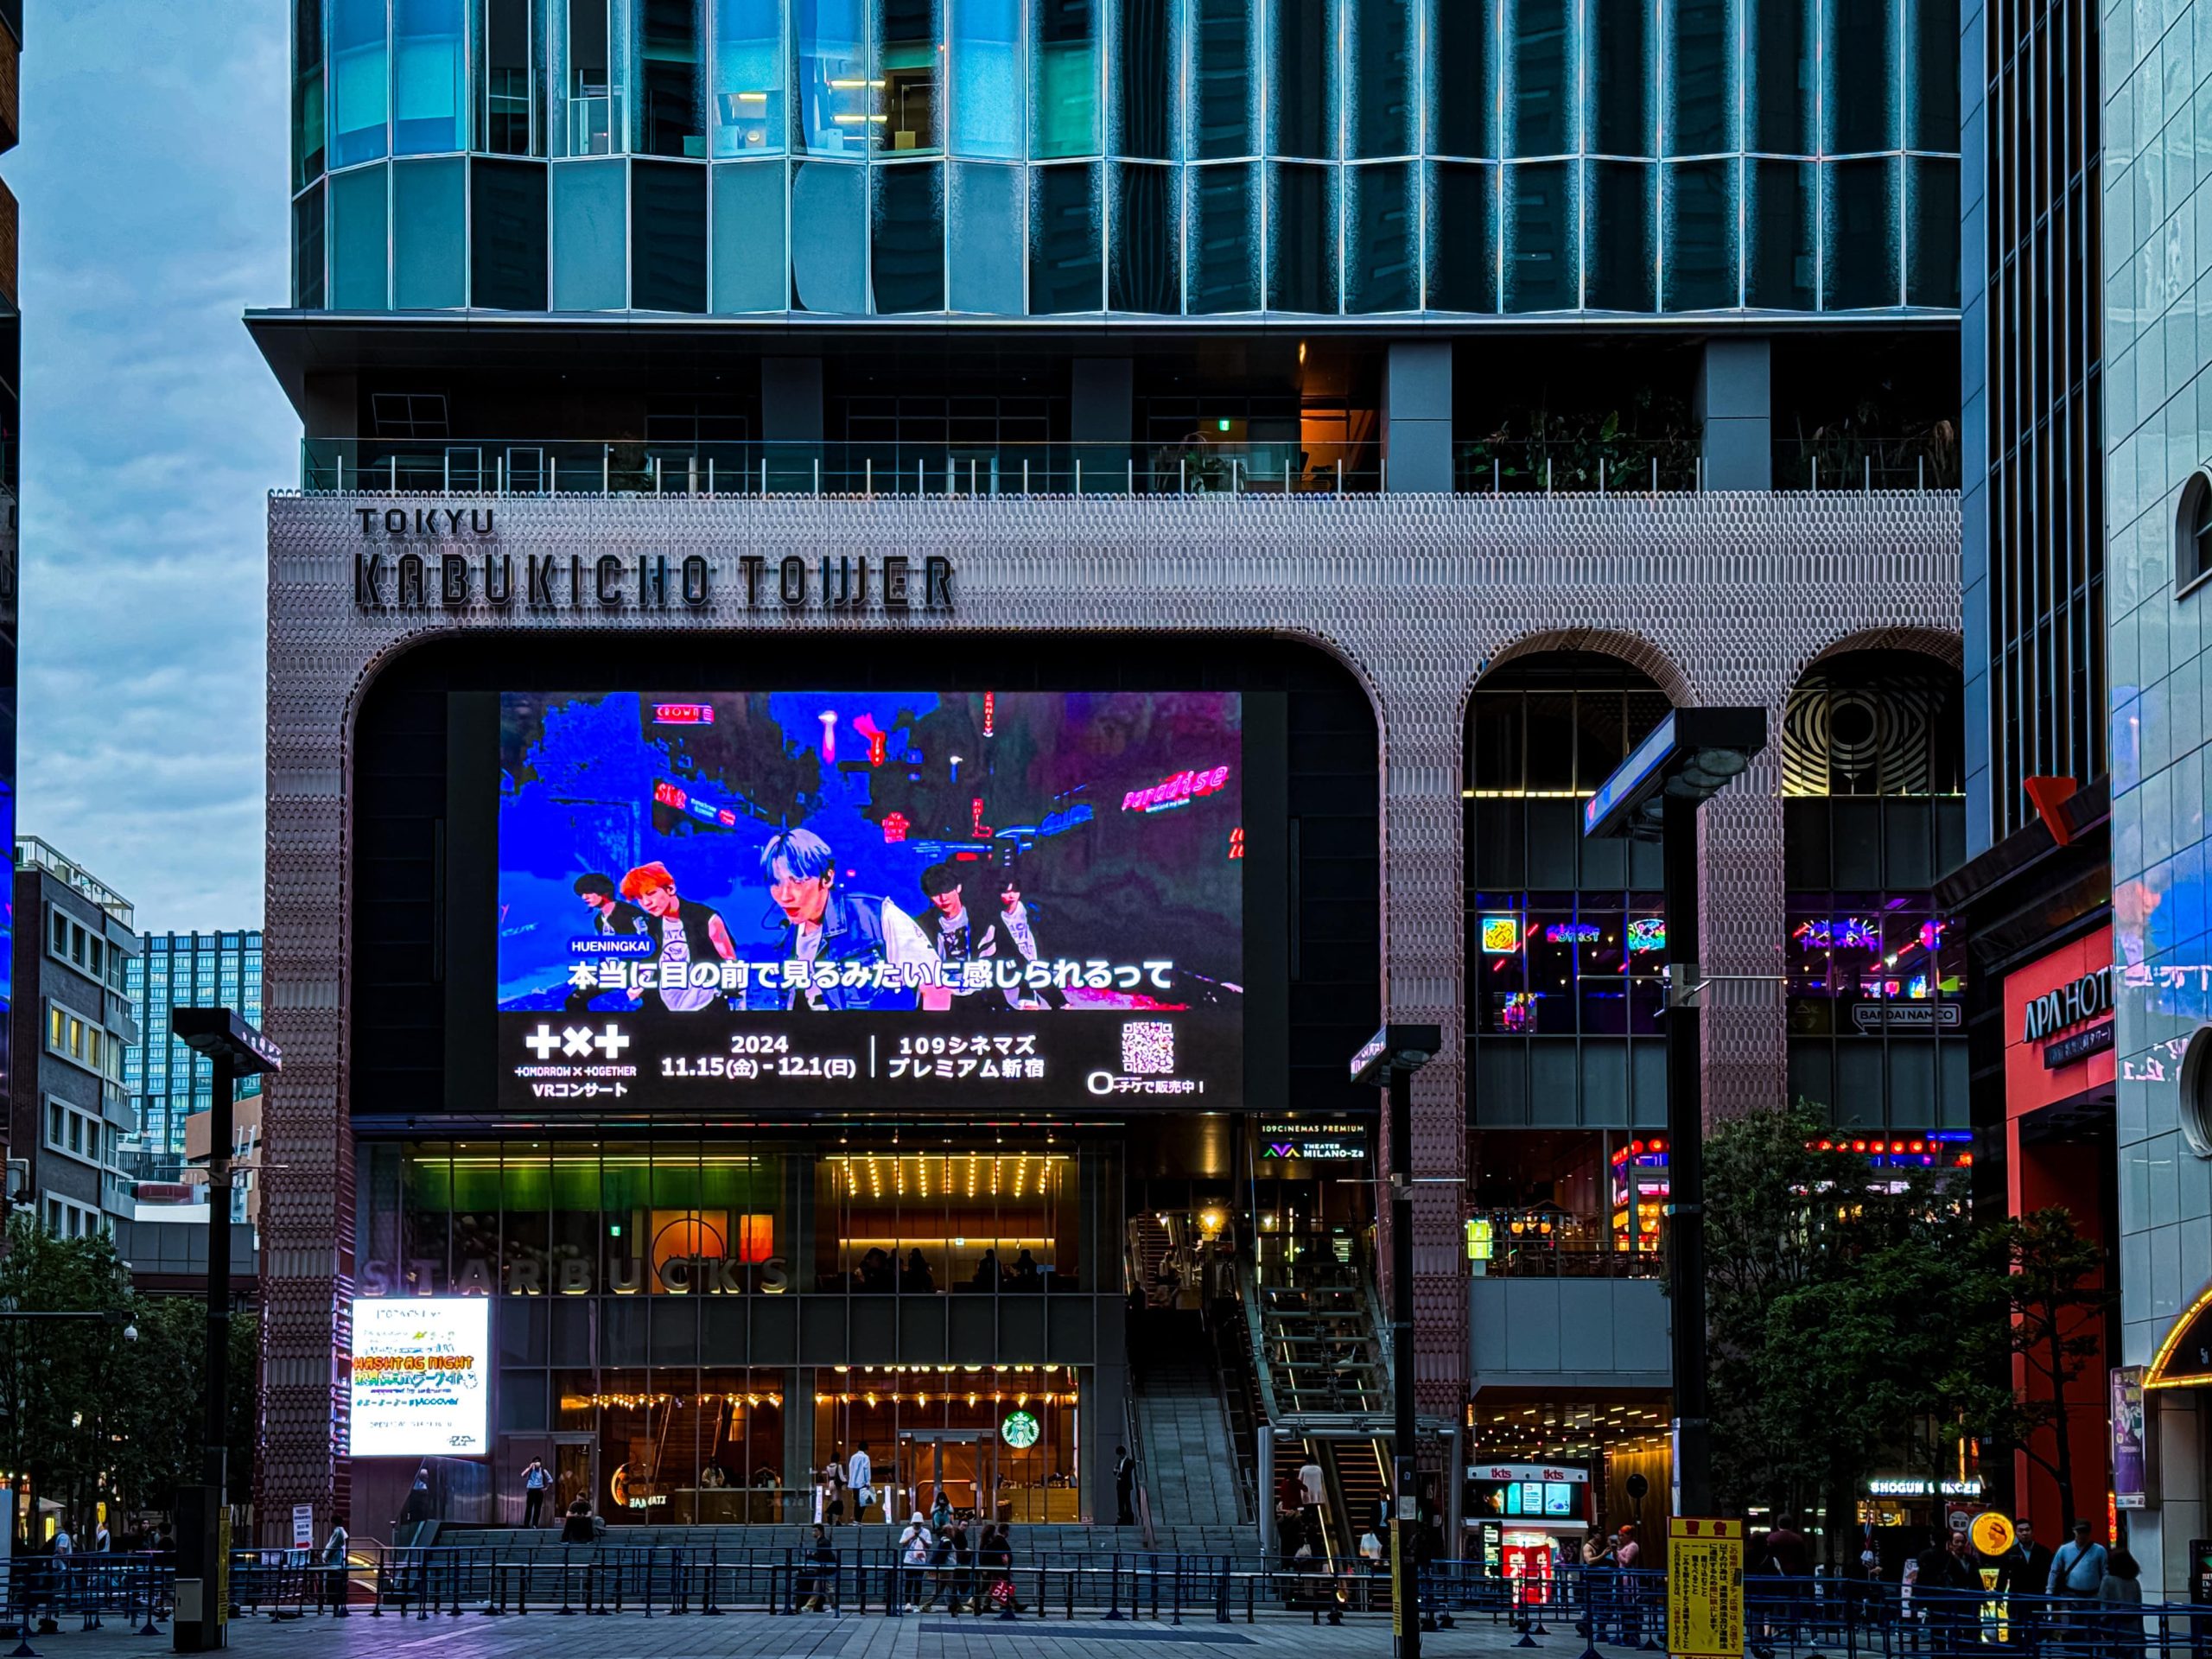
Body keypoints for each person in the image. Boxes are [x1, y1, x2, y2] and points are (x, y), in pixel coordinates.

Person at [756, 828, 934, 1012]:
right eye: (776, 883)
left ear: (827, 878)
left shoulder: (875, 915)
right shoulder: (788, 942)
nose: (785, 896)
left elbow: (936, 988)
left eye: (798, 881)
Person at [620, 861, 736, 1012]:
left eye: (650, 893)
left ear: (670, 888)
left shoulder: (706, 918)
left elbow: (730, 962)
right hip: (664, 1005)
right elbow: (651, 960)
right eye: (639, 898)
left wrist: (727, 993)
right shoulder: (651, 924)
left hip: (706, 1006)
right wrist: (640, 984)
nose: (646, 903)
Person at [994, 867, 1069, 1009]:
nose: (1011, 896)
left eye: (1014, 891)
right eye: (1006, 892)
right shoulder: (995, 917)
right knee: (1029, 1003)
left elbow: (1047, 934)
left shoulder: (1032, 910)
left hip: (1037, 959)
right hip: (1016, 966)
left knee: (1061, 1005)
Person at [1914, 1526, 1977, 1656]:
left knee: (1940, 1630)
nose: (1960, 1545)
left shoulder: (1926, 1555)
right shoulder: (1949, 1557)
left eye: (1962, 1542)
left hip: (1939, 1597)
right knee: (1948, 1629)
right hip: (1947, 1597)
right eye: (1956, 1542)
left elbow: (1921, 1577)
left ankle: (1941, 1652)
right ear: (1948, 1542)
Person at [2099, 1548, 2145, 1659]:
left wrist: (2101, 1626)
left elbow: (2103, 1606)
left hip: (2114, 1626)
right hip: (2133, 1628)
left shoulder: (2108, 1581)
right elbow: (2138, 1606)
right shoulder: (2135, 1582)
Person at [899, 1512, 934, 1611]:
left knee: (918, 1583)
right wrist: (912, 1537)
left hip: (920, 1561)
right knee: (909, 1582)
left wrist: (921, 1538)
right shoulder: (907, 1531)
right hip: (909, 1560)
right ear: (912, 1523)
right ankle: (908, 1603)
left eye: (919, 1523)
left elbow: (928, 1546)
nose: (917, 1525)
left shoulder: (926, 1532)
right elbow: (903, 1544)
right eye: (915, 1523)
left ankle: (916, 1604)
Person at [799, 1523, 836, 1613]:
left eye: (815, 1530)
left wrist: (812, 1555)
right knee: (817, 1588)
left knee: (827, 1588)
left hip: (825, 1568)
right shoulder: (822, 1541)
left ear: (820, 1531)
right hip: (824, 1568)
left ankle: (835, 1607)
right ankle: (808, 1607)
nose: (813, 1533)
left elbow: (822, 1555)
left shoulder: (823, 1542)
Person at [319, 1522, 350, 1613]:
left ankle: (333, 1603)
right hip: (338, 1562)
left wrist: (326, 1556)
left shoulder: (338, 1532)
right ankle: (335, 1603)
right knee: (336, 1584)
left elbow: (334, 1545)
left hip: (334, 1563)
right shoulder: (342, 1531)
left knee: (333, 1584)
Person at [848, 1441, 874, 1523]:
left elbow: (850, 1468)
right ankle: (858, 1519)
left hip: (854, 1483)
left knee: (857, 1501)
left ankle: (856, 1518)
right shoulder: (865, 1457)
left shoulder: (853, 1457)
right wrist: (868, 1481)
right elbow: (866, 1470)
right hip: (862, 1482)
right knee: (864, 1501)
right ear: (866, 1449)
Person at [521, 1458, 550, 1528]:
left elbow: (550, 1480)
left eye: (538, 1462)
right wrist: (530, 1467)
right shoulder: (530, 1470)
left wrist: (546, 1488)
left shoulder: (543, 1471)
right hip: (531, 1490)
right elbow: (523, 1475)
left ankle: (535, 1524)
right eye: (535, 1462)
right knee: (529, 1508)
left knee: (537, 1508)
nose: (537, 1464)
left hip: (539, 1491)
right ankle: (526, 1524)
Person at [1114, 1445, 1137, 1527]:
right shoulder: (1119, 1462)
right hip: (1120, 1485)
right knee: (1120, 1503)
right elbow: (1116, 1472)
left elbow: (1127, 1473)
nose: (1119, 1457)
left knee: (1127, 1502)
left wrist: (1120, 1473)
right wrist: (1116, 1470)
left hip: (1126, 1485)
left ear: (1122, 1454)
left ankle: (1129, 1520)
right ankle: (1121, 1519)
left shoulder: (1129, 1462)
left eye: (1120, 1455)